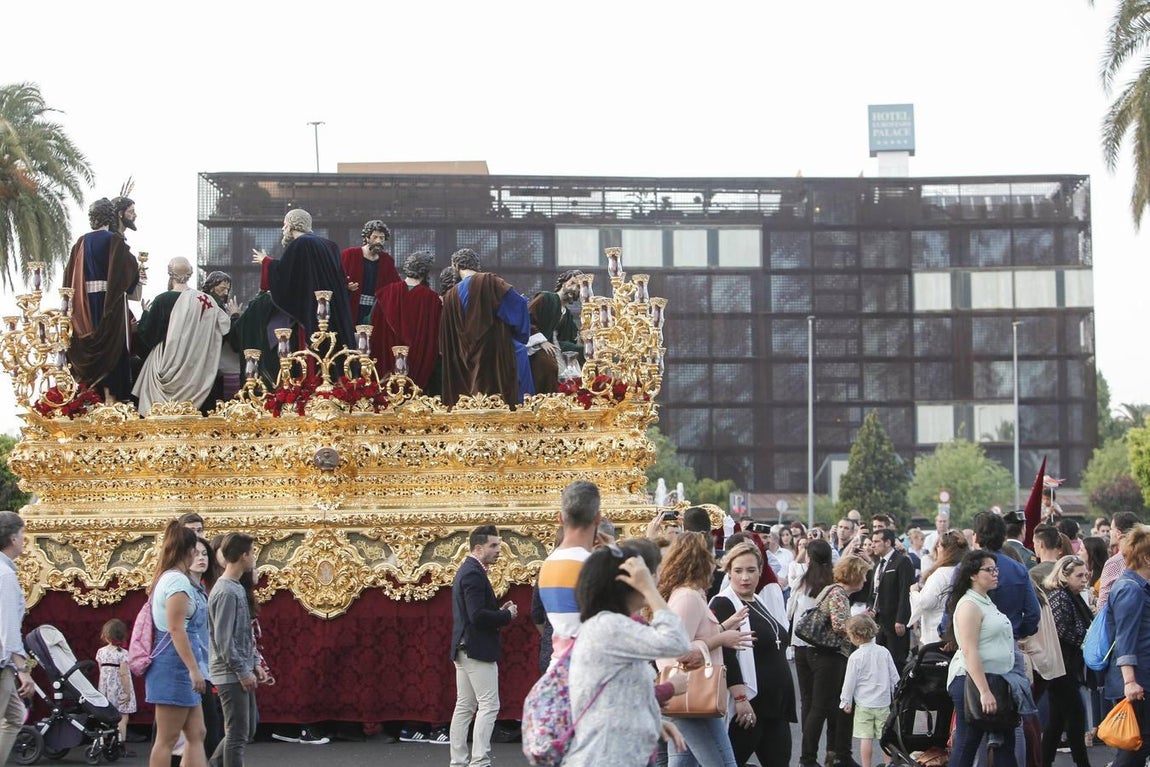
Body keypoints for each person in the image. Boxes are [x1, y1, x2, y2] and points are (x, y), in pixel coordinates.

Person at [562, 542, 689, 767]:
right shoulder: (609, 626)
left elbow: (622, 693)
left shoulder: (611, 625)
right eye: (649, 576)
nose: (656, 580)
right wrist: (649, 590)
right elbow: (677, 641)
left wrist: (651, 721)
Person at [657, 532, 752, 767]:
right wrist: (720, 639)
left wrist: (722, 629)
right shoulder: (687, 597)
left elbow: (690, 636)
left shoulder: (690, 595)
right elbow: (675, 650)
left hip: (689, 694)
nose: (715, 563)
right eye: (711, 556)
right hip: (691, 694)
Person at [710, 542, 796, 767]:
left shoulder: (757, 600)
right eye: (738, 571)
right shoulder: (724, 603)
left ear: (760, 571)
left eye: (751, 570)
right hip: (749, 704)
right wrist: (740, 698)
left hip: (775, 705)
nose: (745, 577)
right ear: (729, 572)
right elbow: (725, 654)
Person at [449, 525, 518, 767]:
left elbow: (474, 613)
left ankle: (458, 762)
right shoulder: (473, 574)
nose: (499, 550)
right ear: (478, 548)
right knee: (488, 705)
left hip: (464, 648)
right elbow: (477, 616)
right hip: (476, 649)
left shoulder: (469, 570)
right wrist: (506, 616)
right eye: (494, 545)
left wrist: (497, 612)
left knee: (464, 706)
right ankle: (479, 762)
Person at [946, 550, 1020, 767]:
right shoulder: (969, 605)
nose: (996, 574)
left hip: (996, 679)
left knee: (1004, 742)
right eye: (989, 570)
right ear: (973, 575)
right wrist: (984, 691)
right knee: (968, 742)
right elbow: (970, 651)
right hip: (972, 681)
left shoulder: (985, 600)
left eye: (996, 569)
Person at [64, 197, 142, 402]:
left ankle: (90, 397)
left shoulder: (80, 242)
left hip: (84, 307)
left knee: (92, 349)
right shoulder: (114, 240)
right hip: (110, 304)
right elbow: (129, 271)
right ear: (111, 216)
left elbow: (68, 277)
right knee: (113, 349)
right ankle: (111, 398)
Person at [146, 520, 209, 767]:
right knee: (167, 738)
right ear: (189, 550)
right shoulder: (177, 582)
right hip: (174, 664)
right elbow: (176, 628)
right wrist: (194, 670)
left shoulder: (171, 578)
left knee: (197, 732)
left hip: (177, 662)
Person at [800, 555, 872, 767]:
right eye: (863, 575)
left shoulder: (831, 589)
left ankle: (834, 755)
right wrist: (862, 621)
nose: (865, 580)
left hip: (818, 653)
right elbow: (840, 626)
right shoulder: (839, 593)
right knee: (821, 708)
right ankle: (809, 759)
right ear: (855, 575)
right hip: (829, 655)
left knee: (832, 708)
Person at [133, 260, 232, 416]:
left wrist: (145, 314)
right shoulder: (206, 301)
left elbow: (148, 336)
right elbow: (224, 328)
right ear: (190, 274)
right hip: (196, 369)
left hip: (164, 365)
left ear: (170, 274)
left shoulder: (162, 300)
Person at [252, 209, 355, 357]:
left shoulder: (300, 244)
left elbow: (287, 275)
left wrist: (266, 262)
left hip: (313, 308)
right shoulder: (330, 245)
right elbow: (339, 277)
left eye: (284, 224)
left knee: (316, 351)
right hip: (333, 307)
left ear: (292, 224)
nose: (283, 228)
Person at [438, 249, 533, 407]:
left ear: (456, 266)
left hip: (464, 364)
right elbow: (519, 305)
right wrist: (519, 334)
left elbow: (446, 340)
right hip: (496, 355)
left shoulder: (450, 296)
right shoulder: (490, 281)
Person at [1102, 524, 1150, 767]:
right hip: (1137, 682)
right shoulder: (1131, 589)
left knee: (1138, 746)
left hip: (1140, 679)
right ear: (1146, 558)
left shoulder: (1137, 587)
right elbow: (1125, 638)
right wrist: (1130, 681)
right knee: (1135, 746)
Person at [208, 533, 258, 767]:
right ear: (243, 556)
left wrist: (254, 663)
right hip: (230, 673)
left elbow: (243, 634)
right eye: (252, 553)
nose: (254, 558)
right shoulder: (226, 591)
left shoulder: (235, 587)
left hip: (239, 669)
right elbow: (224, 640)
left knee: (245, 730)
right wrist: (243, 671)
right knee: (237, 734)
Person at [537, 481, 601, 659]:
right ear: (598, 518)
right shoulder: (594, 566)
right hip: (589, 665)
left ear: (560, 518)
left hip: (559, 664)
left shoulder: (548, 564)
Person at [1040, 555, 1093, 767]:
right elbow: (1061, 629)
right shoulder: (1060, 596)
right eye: (1079, 576)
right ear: (1064, 575)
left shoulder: (1072, 595)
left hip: (1066, 664)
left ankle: (1044, 761)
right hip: (1061, 665)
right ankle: (1082, 763)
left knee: (1057, 719)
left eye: (1086, 575)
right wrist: (1086, 641)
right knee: (1075, 714)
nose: (1084, 580)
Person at [368, 251, 441, 389]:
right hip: (418, 375)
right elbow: (434, 338)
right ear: (425, 272)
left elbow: (371, 326)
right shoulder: (432, 299)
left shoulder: (385, 294)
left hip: (383, 373)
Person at [789, 538, 833, 752]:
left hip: (801, 643)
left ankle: (807, 752)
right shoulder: (833, 582)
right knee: (826, 700)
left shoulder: (801, 582)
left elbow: (790, 612)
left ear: (809, 558)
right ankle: (830, 750)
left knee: (807, 698)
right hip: (825, 647)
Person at [839, 614, 899, 767]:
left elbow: (849, 682)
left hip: (864, 704)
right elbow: (894, 677)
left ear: (855, 636)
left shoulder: (855, 657)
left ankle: (867, 765)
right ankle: (889, 764)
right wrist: (896, 694)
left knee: (865, 738)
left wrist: (846, 701)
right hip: (883, 703)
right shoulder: (884, 652)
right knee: (885, 738)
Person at [0, 512, 34, 763]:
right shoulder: (5, 576)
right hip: (2, 663)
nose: (24, 539)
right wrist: (22, 670)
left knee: (14, 716)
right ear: (13, 538)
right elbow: (8, 628)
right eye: (22, 534)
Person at [909, 530, 968, 644]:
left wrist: (914, 592)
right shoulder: (964, 571)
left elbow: (925, 603)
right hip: (957, 631)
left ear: (946, 550)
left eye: (939, 546)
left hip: (937, 634)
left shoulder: (940, 574)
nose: (936, 550)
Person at [869, 528, 914, 668]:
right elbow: (874, 591)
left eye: (876, 541)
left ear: (888, 542)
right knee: (880, 662)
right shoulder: (878, 565)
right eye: (872, 542)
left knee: (896, 661)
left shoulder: (902, 561)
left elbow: (905, 592)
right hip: (879, 622)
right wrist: (870, 608)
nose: (873, 545)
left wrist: (901, 619)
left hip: (894, 621)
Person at [341, 220, 400, 325]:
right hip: (351, 310)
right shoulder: (350, 255)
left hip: (376, 312)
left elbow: (396, 286)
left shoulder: (387, 260)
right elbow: (335, 278)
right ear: (367, 237)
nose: (378, 241)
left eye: (382, 238)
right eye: (375, 237)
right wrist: (346, 286)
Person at [97, 619, 136, 752]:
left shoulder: (101, 652)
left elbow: (101, 671)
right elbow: (124, 674)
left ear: (105, 635)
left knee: (106, 717)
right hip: (120, 689)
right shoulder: (123, 653)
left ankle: (104, 742)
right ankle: (120, 745)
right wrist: (127, 692)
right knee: (122, 717)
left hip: (105, 689)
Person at [1097, 511, 1141, 610]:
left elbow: (1103, 605)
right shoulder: (1145, 558)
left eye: (1111, 529)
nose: (1109, 533)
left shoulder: (1114, 563)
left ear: (1118, 533)